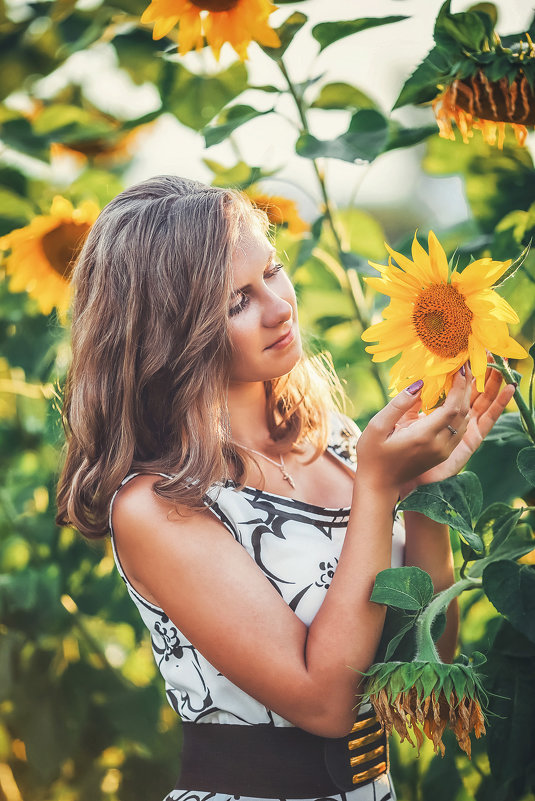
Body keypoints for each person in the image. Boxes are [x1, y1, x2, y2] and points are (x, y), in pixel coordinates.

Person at [56, 175, 514, 801]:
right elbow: (323, 704)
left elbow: (419, 657)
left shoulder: (342, 447)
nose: (279, 306)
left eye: (271, 271)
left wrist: (428, 493)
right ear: (169, 332)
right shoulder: (158, 506)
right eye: (235, 302)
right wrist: (379, 492)